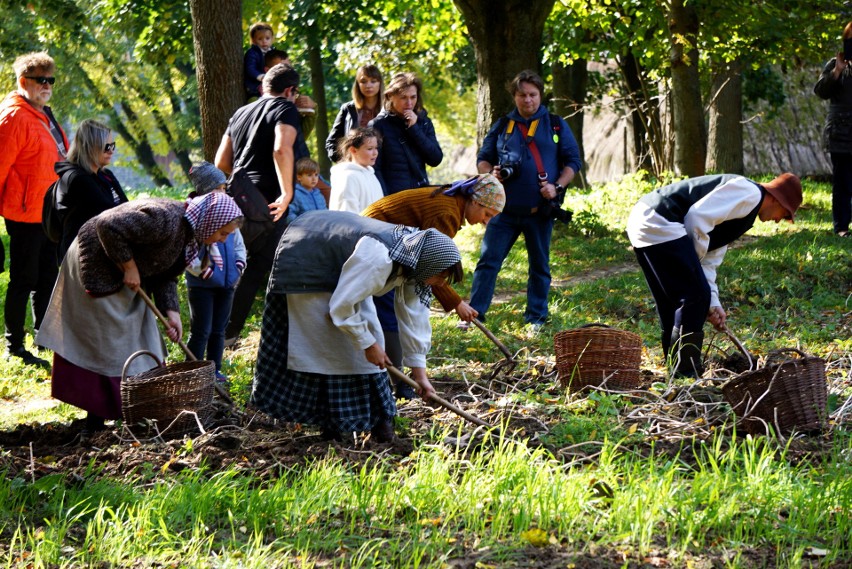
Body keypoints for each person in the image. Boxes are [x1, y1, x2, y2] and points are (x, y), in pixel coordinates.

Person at [36, 192, 243, 435]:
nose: (221, 240)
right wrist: (129, 266)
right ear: (211, 220)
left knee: (144, 336)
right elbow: (107, 225)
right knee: (111, 339)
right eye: (222, 233)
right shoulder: (164, 219)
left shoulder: (191, 236)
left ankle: (136, 410)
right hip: (96, 263)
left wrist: (171, 311)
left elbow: (165, 271)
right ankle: (96, 418)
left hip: (125, 272)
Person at [251, 210, 462, 442]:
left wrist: (418, 372)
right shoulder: (379, 258)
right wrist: (367, 344)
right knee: (329, 352)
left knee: (365, 351)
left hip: (341, 272)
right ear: (430, 264)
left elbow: (414, 318)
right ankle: (333, 429)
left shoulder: (415, 260)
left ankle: (377, 427)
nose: (441, 283)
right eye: (441, 276)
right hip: (309, 265)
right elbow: (341, 307)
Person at [626, 173, 803, 378]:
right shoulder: (750, 193)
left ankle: (675, 369)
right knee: (694, 296)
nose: (780, 220)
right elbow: (697, 217)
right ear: (775, 198)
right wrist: (697, 280)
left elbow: (710, 259)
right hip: (661, 219)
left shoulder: (744, 214)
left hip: (647, 219)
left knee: (677, 301)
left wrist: (713, 302)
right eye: (786, 213)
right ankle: (686, 374)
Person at [363, 174, 505, 399]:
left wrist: (455, 301)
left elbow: (431, 264)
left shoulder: (452, 205)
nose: (485, 221)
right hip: (373, 244)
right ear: (475, 201)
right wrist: (456, 302)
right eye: (487, 214)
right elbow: (431, 267)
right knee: (397, 309)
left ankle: (409, 378)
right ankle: (397, 382)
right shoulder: (445, 212)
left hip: (391, 245)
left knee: (410, 303)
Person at [468, 70, 582, 331]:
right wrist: (490, 173)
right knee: (488, 262)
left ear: (540, 95)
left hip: (538, 211)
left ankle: (536, 318)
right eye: (522, 95)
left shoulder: (554, 124)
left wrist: (557, 187)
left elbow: (573, 161)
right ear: (514, 96)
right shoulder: (502, 125)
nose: (527, 100)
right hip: (503, 212)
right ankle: (475, 316)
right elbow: (483, 158)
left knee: (539, 266)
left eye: (532, 94)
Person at [215, 63, 309, 345]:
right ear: (290, 90)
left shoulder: (241, 112)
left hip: (238, 198)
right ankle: (228, 335)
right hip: (269, 202)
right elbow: (281, 148)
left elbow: (221, 162)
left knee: (245, 266)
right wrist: (287, 193)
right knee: (270, 265)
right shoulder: (285, 109)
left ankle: (221, 333)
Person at [0, 51, 69, 368]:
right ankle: (14, 344)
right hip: (25, 214)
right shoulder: (13, 117)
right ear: (23, 82)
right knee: (23, 279)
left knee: (47, 280)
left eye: (50, 79)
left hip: (51, 213)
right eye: (40, 80)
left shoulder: (44, 115)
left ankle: (44, 338)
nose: (47, 85)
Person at [185, 162, 247, 383]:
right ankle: (192, 371)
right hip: (202, 284)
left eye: (224, 188)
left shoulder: (229, 211)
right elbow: (188, 252)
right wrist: (205, 272)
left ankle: (214, 370)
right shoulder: (195, 212)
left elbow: (238, 244)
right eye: (217, 188)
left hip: (228, 282)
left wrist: (238, 267)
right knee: (201, 329)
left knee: (219, 329)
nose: (222, 192)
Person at [53, 119, 129, 262]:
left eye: (113, 146)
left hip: (103, 251)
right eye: (106, 146)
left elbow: (126, 207)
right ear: (90, 146)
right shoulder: (77, 179)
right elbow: (108, 214)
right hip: (82, 256)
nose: (111, 151)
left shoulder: (106, 175)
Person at [369, 72, 443, 195]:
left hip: (420, 194)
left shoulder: (423, 122)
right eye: (403, 97)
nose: (409, 103)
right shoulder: (378, 125)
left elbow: (435, 159)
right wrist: (385, 199)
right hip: (393, 197)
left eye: (413, 97)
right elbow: (375, 168)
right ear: (391, 96)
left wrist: (414, 129)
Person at [814, 21, 852, 238]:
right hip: (841, 133)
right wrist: (837, 71)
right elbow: (820, 91)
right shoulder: (835, 65)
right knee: (842, 182)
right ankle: (841, 227)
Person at [325, 64, 384, 163]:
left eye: (373, 81)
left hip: (383, 170)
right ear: (358, 84)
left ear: (380, 83)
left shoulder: (388, 110)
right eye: (363, 81)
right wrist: (345, 162)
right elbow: (331, 142)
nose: (368, 85)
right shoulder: (348, 109)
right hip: (355, 168)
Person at [329, 127, 384, 213]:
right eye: (370, 149)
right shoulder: (347, 177)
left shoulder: (371, 174)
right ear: (353, 150)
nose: (375, 153)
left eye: (376, 148)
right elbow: (347, 216)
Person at [286, 157, 327, 223]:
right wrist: (302, 225)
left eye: (316, 175)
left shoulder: (319, 194)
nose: (314, 179)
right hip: (304, 230)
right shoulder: (296, 194)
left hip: (321, 229)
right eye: (309, 175)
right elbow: (289, 215)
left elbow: (326, 213)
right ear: (299, 177)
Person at [244, 22, 274, 101]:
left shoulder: (273, 53)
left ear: (272, 39)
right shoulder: (252, 53)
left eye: (267, 38)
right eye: (260, 39)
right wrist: (260, 77)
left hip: (271, 87)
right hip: (255, 88)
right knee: (253, 101)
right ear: (253, 40)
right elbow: (250, 68)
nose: (264, 41)